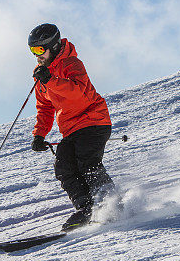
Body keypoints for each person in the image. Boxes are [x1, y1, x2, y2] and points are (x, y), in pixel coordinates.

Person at [28, 22, 117, 231]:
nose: (36, 55)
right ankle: (87, 209)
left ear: (55, 45)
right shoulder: (41, 73)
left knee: (87, 163)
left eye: (40, 49)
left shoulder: (72, 64)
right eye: (32, 51)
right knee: (64, 166)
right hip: (71, 129)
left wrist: (50, 80)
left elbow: (78, 94)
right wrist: (39, 134)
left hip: (93, 121)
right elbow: (45, 107)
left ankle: (114, 205)